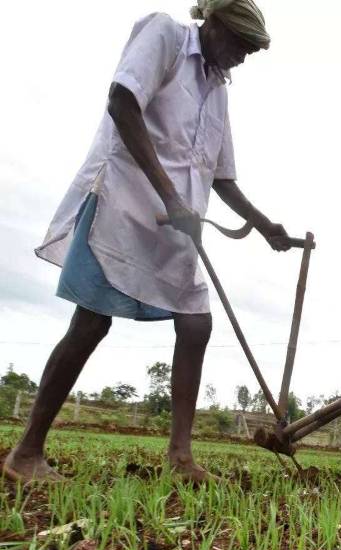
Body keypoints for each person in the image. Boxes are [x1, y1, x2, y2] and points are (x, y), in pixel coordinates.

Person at [3, 0, 287, 483]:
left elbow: (221, 177)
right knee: (91, 323)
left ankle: (180, 458)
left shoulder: (218, 90)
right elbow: (121, 101)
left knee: (196, 324)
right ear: (215, 24)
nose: (242, 57)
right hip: (123, 206)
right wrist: (171, 194)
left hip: (177, 227)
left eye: (249, 51)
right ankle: (26, 453)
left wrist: (264, 225)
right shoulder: (167, 37)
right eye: (240, 45)